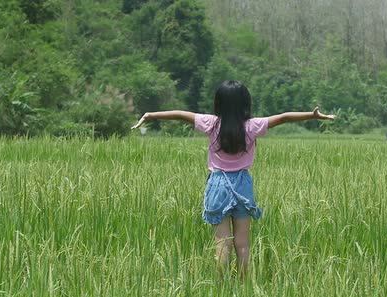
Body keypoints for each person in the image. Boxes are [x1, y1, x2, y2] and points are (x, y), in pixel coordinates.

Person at [131, 80, 336, 277]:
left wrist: (151, 115)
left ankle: (221, 290)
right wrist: (312, 115)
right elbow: (284, 117)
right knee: (243, 243)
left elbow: (180, 115)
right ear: (245, 103)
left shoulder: (211, 123)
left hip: (217, 183)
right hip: (242, 184)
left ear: (218, 103)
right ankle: (243, 286)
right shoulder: (252, 126)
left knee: (222, 242)